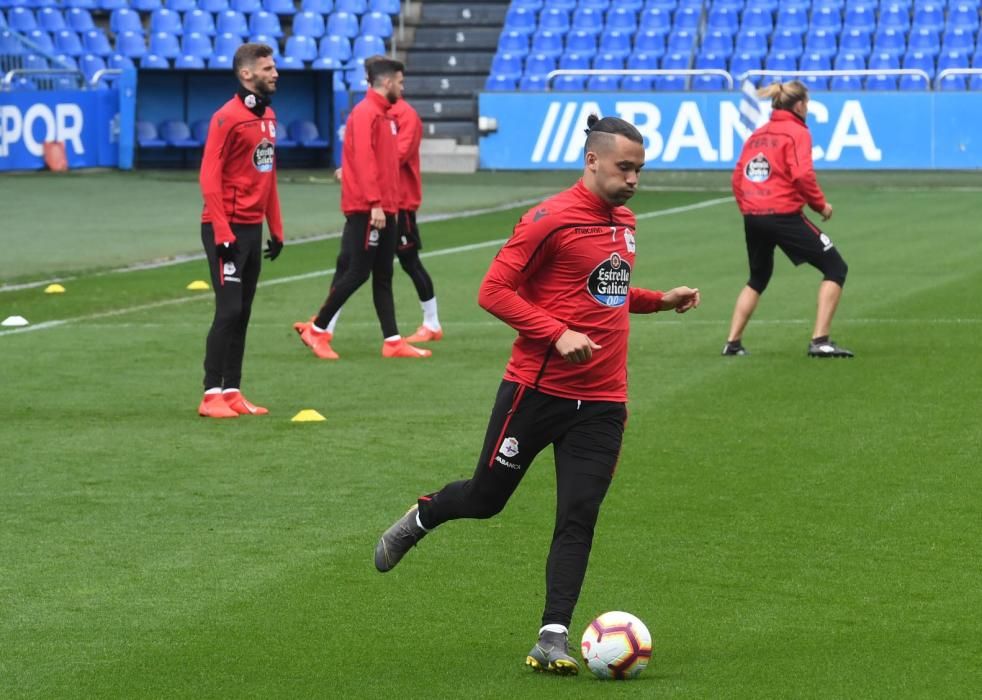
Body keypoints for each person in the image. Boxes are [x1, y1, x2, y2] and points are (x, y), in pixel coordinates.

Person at [373, 115, 701, 675]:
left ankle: (553, 636)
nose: (633, 180)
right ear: (592, 160)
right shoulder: (548, 220)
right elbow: (492, 291)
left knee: (579, 514)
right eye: (625, 168)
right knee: (486, 499)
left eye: (640, 170)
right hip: (536, 391)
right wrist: (555, 332)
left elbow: (607, 293)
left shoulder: (625, 223)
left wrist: (658, 300)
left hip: (603, 403)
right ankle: (423, 516)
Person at [293, 57, 430, 360]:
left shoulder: (385, 116)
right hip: (370, 210)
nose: (402, 87)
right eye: (400, 81)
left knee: (383, 274)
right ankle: (317, 331)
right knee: (357, 272)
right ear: (387, 82)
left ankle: (392, 341)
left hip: (388, 208)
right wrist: (375, 204)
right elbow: (367, 161)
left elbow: (377, 161)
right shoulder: (366, 113)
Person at [724, 80, 853, 358]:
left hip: (753, 216)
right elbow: (802, 176)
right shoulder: (797, 132)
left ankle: (732, 343)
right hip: (781, 214)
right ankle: (820, 341)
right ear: (799, 105)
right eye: (807, 103)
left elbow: (738, 177)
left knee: (758, 276)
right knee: (835, 267)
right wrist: (821, 206)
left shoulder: (757, 135)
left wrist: (748, 207)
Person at [197, 42, 284, 419]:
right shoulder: (226, 117)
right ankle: (210, 393)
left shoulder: (269, 117)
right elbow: (208, 177)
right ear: (246, 74)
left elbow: (268, 177)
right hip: (226, 228)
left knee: (244, 310)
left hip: (252, 228)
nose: (275, 73)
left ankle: (232, 390)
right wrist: (222, 232)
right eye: (267, 68)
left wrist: (276, 229)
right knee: (228, 309)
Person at [313, 96, 443, 343]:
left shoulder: (404, 115)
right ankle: (325, 326)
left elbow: (397, 155)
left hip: (398, 202)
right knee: (349, 263)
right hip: (375, 203)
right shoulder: (373, 112)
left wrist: (352, 171)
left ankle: (431, 322)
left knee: (407, 261)